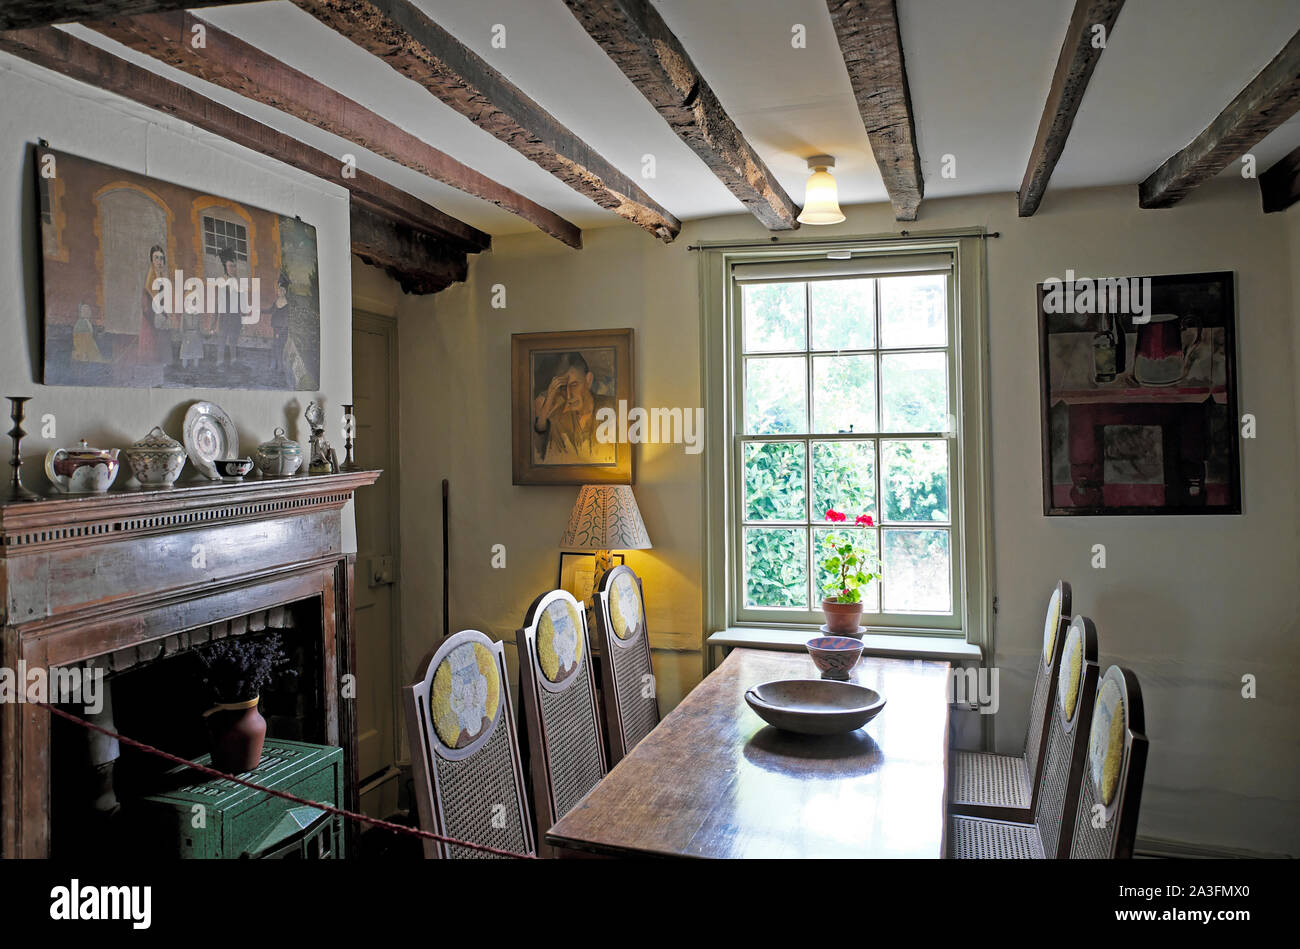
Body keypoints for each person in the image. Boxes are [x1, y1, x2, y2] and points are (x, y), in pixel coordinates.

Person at [531, 351, 616, 465]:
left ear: (588, 380)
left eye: (574, 385)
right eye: (563, 388)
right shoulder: (558, 420)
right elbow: (555, 464)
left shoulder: (613, 408)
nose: (568, 395)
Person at [138, 244, 171, 364]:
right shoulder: (150, 278)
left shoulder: (162, 277)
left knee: (163, 342)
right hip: (151, 316)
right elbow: (146, 302)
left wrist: (165, 315)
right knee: (151, 347)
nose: (159, 261)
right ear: (151, 259)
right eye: (156, 257)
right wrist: (156, 316)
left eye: (161, 258)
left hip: (161, 314)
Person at [214, 246, 243, 367]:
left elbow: (240, 303)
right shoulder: (221, 282)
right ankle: (220, 361)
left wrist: (241, 320)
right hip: (225, 318)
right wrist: (215, 322)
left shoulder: (237, 282)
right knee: (222, 340)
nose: (233, 268)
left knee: (233, 341)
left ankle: (233, 361)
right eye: (230, 265)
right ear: (225, 266)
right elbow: (218, 304)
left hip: (235, 318)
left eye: (234, 266)